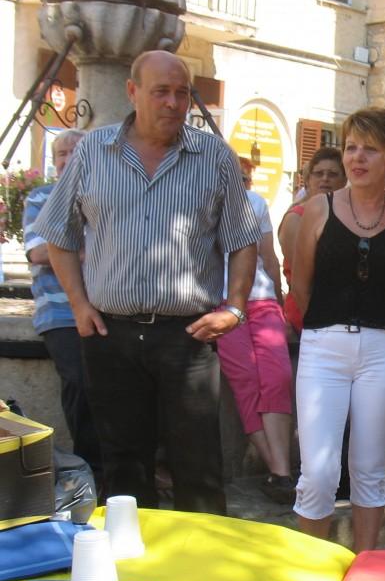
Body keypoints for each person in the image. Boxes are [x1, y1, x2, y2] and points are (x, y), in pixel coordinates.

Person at [34, 50, 260, 514]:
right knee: (123, 467)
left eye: (182, 93)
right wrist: (78, 304)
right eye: (161, 92)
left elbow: (243, 239)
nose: (174, 103)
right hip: (109, 334)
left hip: (188, 336)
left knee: (199, 467)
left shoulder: (213, 156)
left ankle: (203, 570)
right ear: (133, 92)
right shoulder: (94, 152)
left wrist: (234, 307)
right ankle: (132, 570)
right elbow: (58, 235)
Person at [289, 107, 385, 549]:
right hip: (323, 347)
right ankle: (311, 571)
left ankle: (363, 569)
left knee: (368, 469)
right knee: (319, 473)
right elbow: (300, 284)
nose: (357, 158)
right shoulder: (317, 209)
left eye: (370, 149)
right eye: (351, 148)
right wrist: (331, 323)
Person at [22, 128, 102, 478]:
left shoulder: (100, 196)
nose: (68, 160)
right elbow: (39, 252)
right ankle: (90, 469)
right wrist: (89, 252)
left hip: (104, 306)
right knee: (80, 384)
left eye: (75, 152)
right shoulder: (42, 197)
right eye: (61, 155)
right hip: (60, 312)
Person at [216, 156, 296, 504]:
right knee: (245, 380)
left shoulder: (255, 203)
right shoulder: (197, 202)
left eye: (245, 176)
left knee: (277, 377)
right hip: (217, 302)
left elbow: (269, 257)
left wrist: (279, 301)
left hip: (261, 299)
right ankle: (280, 470)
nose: (242, 180)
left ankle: (280, 473)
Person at [278, 147, 345, 334]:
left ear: (344, 180)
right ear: (308, 180)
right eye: (318, 174)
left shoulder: (348, 218)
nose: (325, 178)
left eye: (333, 174)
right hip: (307, 314)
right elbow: (303, 276)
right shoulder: (296, 218)